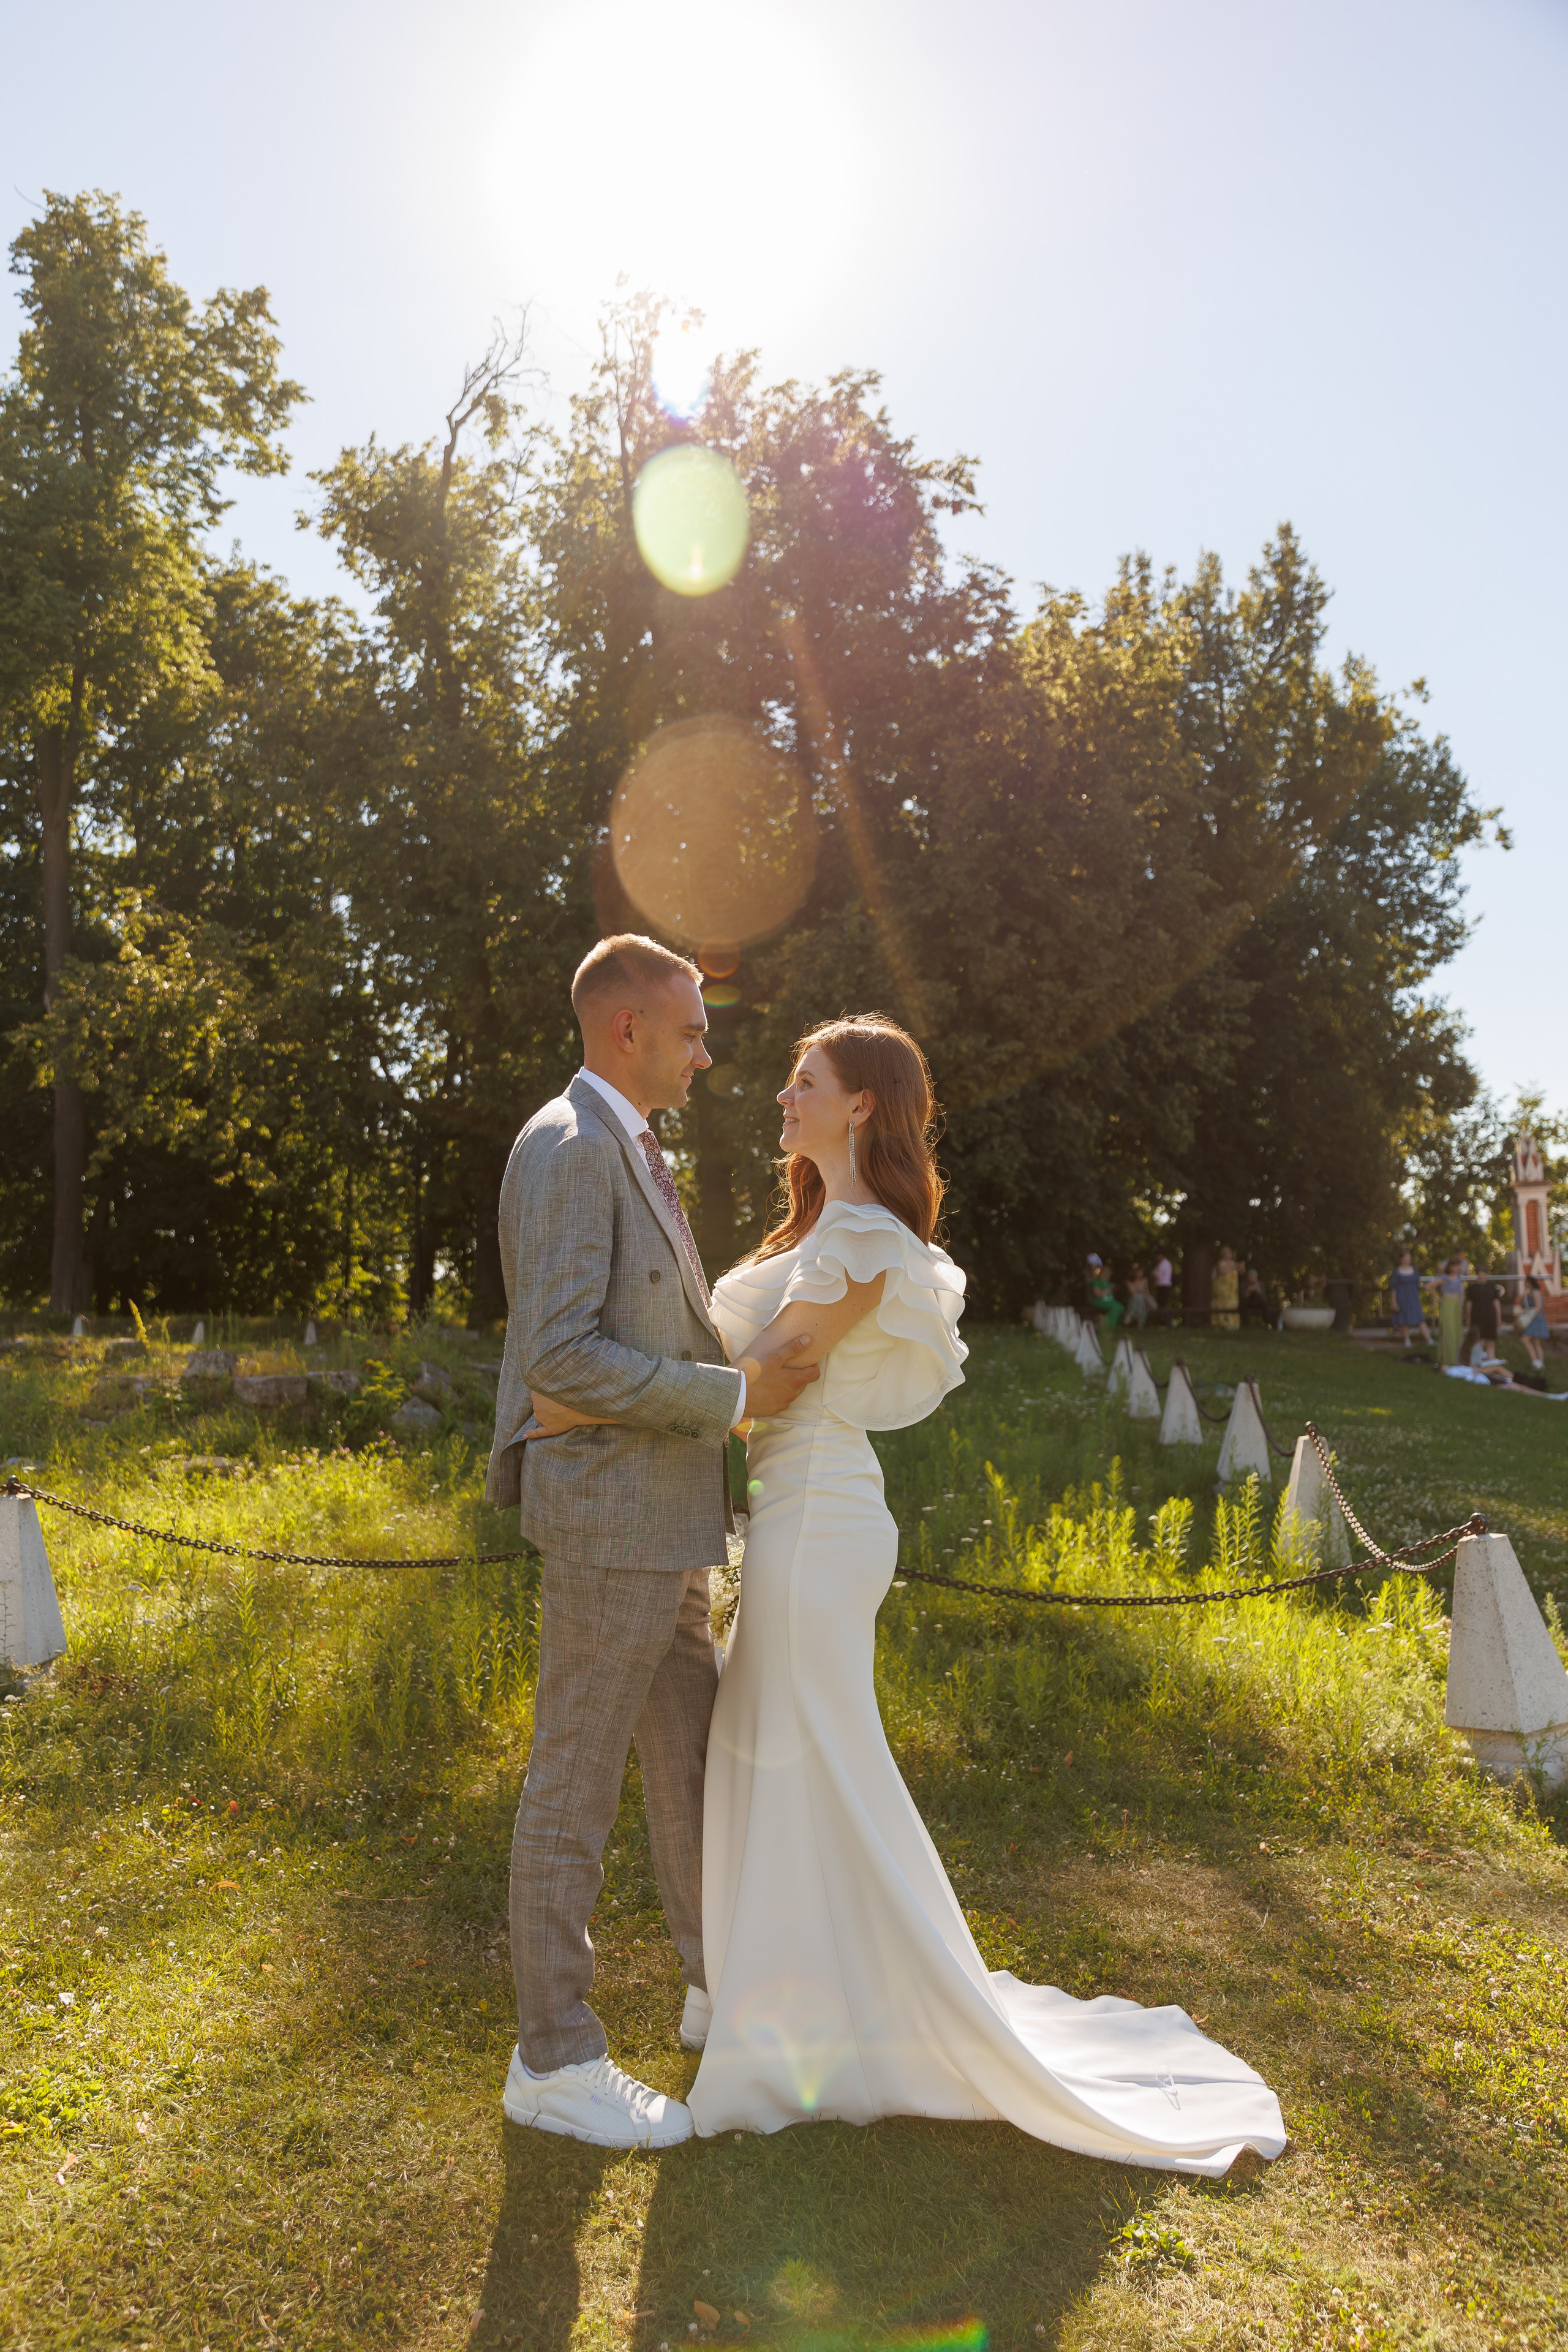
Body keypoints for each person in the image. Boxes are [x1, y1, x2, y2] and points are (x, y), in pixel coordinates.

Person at [532, 1015, 1285, 2174]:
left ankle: (835, 2019)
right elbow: (740, 1368)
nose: (781, 1094)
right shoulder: (814, 1227)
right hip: (785, 1513)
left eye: (805, 1081)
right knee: (766, 1751)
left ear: (863, 1105)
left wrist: (591, 1400)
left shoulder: (865, 1237)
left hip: (821, 1518)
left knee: (801, 1753)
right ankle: (760, 1993)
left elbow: (774, 1383)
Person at [486, 935, 818, 2150]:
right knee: (573, 1776)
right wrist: (732, 1398)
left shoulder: (626, 1144)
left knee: (691, 1761)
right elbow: (559, 1354)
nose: (706, 1048)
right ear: (625, 1028)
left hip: (665, 1519)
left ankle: (708, 1988)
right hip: (610, 1520)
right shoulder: (571, 1149)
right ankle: (554, 2057)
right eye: (690, 1028)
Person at [1389, 1250, 1433, 1349]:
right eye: (1406, 1258)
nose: (1408, 1260)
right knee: (1403, 1320)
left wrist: (1418, 1299)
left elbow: (1417, 1287)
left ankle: (1429, 1340)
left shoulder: (1415, 1271)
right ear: (1401, 1259)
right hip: (1402, 1298)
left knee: (1421, 1319)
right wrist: (1394, 1301)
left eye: (1409, 1258)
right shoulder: (1397, 1273)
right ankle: (1407, 1341)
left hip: (1413, 1298)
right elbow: (1393, 1289)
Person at [1463, 1266, 1502, 1366]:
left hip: (1490, 1317)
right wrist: (1468, 1318)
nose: (1482, 1277)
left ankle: (1491, 1361)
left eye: (1484, 1274)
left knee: (1491, 1340)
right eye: (1480, 1274)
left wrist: (1499, 1319)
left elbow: (1496, 1303)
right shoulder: (1472, 1289)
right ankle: (1477, 1362)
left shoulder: (1492, 1287)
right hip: (1477, 1317)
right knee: (1479, 1340)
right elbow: (1469, 1304)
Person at [1517, 1273, 1551, 1372]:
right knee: (1536, 1342)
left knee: (1525, 1339)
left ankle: (1536, 1361)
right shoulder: (1529, 1293)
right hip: (1533, 1319)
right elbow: (1524, 1306)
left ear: (1530, 1282)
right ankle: (1540, 1363)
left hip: (1535, 1319)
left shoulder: (1536, 1292)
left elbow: (1538, 1307)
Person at [1435, 1256, 1466, 1366]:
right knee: (1449, 1332)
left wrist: (1461, 1304)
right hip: (1447, 1304)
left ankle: (1458, 1357)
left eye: (1459, 1266)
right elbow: (1429, 1286)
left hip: (1457, 1306)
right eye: (1457, 1266)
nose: (1459, 1268)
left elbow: (1462, 1292)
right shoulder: (1444, 1277)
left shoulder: (1459, 1278)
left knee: (1457, 1332)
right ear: (1451, 1267)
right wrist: (1438, 1298)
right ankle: (1449, 1359)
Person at [1212, 1245, 1240, 1330]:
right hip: (1223, 1290)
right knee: (1223, 1306)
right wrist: (1234, 1266)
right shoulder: (1221, 1263)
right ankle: (1221, 1325)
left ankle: (1232, 1325)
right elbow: (1222, 1272)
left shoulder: (1232, 1263)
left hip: (1232, 1291)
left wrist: (1241, 1266)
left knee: (1232, 1306)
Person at [1240, 1265, 1270, 1329]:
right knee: (1243, 1305)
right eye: (1251, 1277)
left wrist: (1258, 1290)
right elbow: (1243, 1298)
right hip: (1248, 1303)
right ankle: (1245, 1324)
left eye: (1254, 1277)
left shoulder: (1261, 1284)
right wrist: (1248, 1291)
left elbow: (1264, 1298)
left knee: (1266, 1304)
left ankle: (1268, 1324)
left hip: (1258, 1303)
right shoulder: (1244, 1284)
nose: (1252, 1279)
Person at [1125, 1263, 1152, 1327]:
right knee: (1138, 1299)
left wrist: (1141, 1295)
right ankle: (1141, 1322)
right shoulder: (1129, 1282)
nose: (1139, 1274)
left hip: (1143, 1298)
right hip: (1133, 1299)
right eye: (1138, 1272)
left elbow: (1147, 1292)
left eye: (1141, 1272)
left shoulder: (1145, 1280)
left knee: (1138, 1299)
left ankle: (1130, 1316)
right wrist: (1141, 1295)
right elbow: (1133, 1293)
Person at [1152, 1250, 1174, 1324]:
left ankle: (1165, 1322)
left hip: (1163, 1286)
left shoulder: (1164, 1264)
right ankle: (1163, 1321)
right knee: (1162, 1304)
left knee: (1162, 1305)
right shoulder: (1165, 1263)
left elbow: (1158, 1275)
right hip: (1163, 1286)